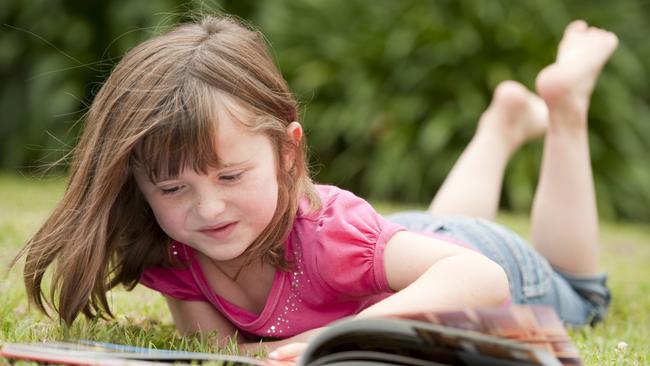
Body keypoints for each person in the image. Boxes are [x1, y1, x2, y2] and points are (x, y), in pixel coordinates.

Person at [15, 15, 617, 361]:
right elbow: (225, 349)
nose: (208, 207)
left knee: (585, 297)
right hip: (409, 245)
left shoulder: (330, 233)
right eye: (172, 187)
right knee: (427, 227)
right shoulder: (176, 249)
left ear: (286, 151)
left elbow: (483, 280)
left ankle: (566, 111)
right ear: (138, 184)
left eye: (229, 175)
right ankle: (502, 125)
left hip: (477, 256)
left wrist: (325, 339)